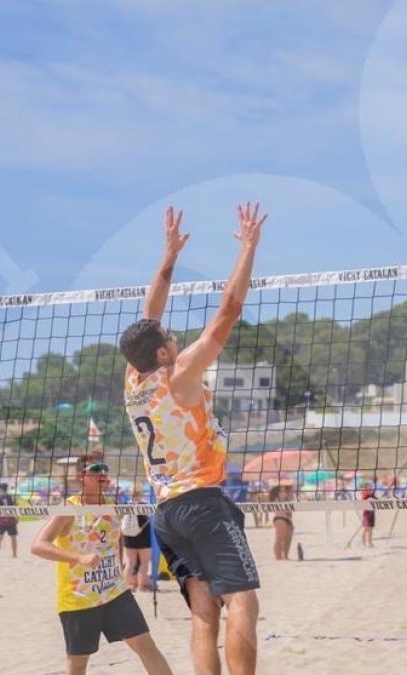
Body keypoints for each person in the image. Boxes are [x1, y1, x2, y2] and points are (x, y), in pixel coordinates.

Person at [120, 203, 265, 675]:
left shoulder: (134, 377)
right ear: (162, 352)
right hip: (201, 502)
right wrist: (248, 248)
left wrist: (169, 256)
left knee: (205, 613)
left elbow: (150, 310)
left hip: (166, 514)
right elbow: (229, 310)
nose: (175, 336)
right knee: (242, 602)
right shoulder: (178, 376)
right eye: (169, 337)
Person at [31, 462, 172, 675]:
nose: (102, 474)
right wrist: (79, 557)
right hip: (79, 597)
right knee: (78, 664)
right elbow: (38, 546)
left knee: (146, 646)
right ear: (81, 476)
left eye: (104, 470)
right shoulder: (68, 509)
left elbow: (115, 538)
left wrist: (122, 559)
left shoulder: (111, 504)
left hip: (114, 591)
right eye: (95, 471)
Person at [121, 492, 154, 592]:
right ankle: (141, 587)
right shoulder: (144, 506)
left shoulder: (126, 505)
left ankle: (125, 587)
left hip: (128, 537)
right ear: (140, 495)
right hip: (142, 537)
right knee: (144, 562)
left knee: (130, 563)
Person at [0, 482, 19, 558]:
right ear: (7, 489)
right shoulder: (11, 497)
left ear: (0, 489)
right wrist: (17, 518)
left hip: (2, 521)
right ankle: (14, 554)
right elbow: (15, 508)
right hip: (11, 520)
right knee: (13, 538)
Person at [270, 484, 295, 561]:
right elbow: (280, 499)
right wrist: (284, 490)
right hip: (280, 518)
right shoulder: (280, 494)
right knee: (279, 539)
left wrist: (290, 494)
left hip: (288, 519)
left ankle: (286, 556)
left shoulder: (291, 496)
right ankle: (278, 558)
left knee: (288, 539)